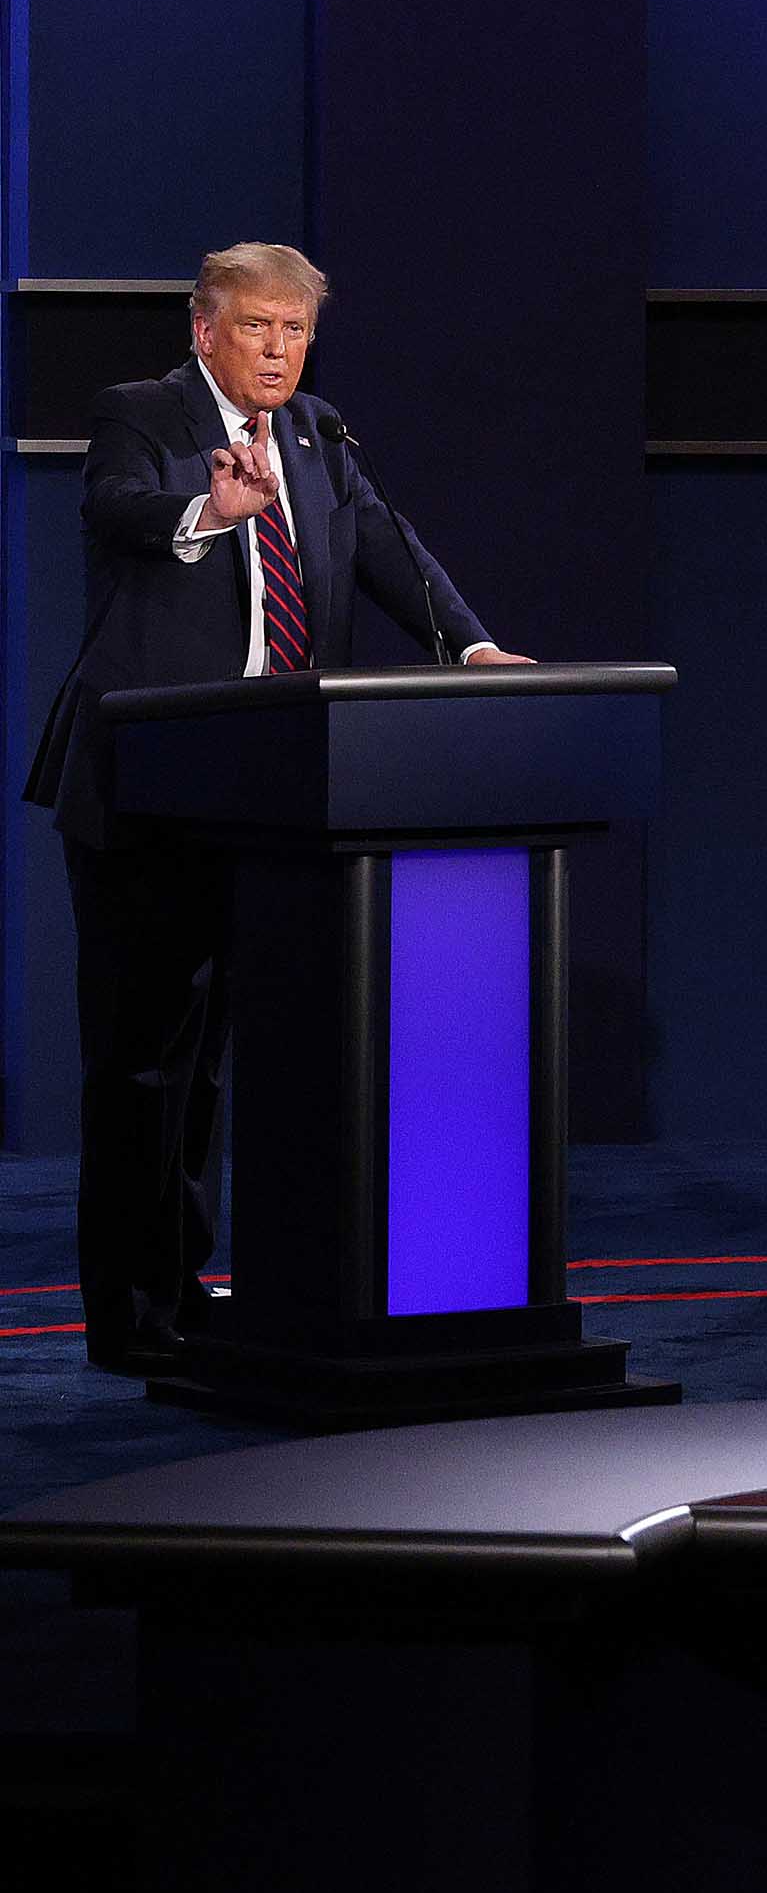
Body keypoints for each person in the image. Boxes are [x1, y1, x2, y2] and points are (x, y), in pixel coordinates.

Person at [22, 241, 533, 1378]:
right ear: (204, 329)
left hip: (274, 788)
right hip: (149, 784)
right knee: (141, 1061)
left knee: (212, 1065)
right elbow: (119, 510)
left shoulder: (318, 434)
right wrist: (209, 505)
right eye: (257, 327)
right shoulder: (140, 413)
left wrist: (473, 640)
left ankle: (191, 1284)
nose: (278, 350)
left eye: (295, 332)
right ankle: (128, 1311)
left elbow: (396, 556)